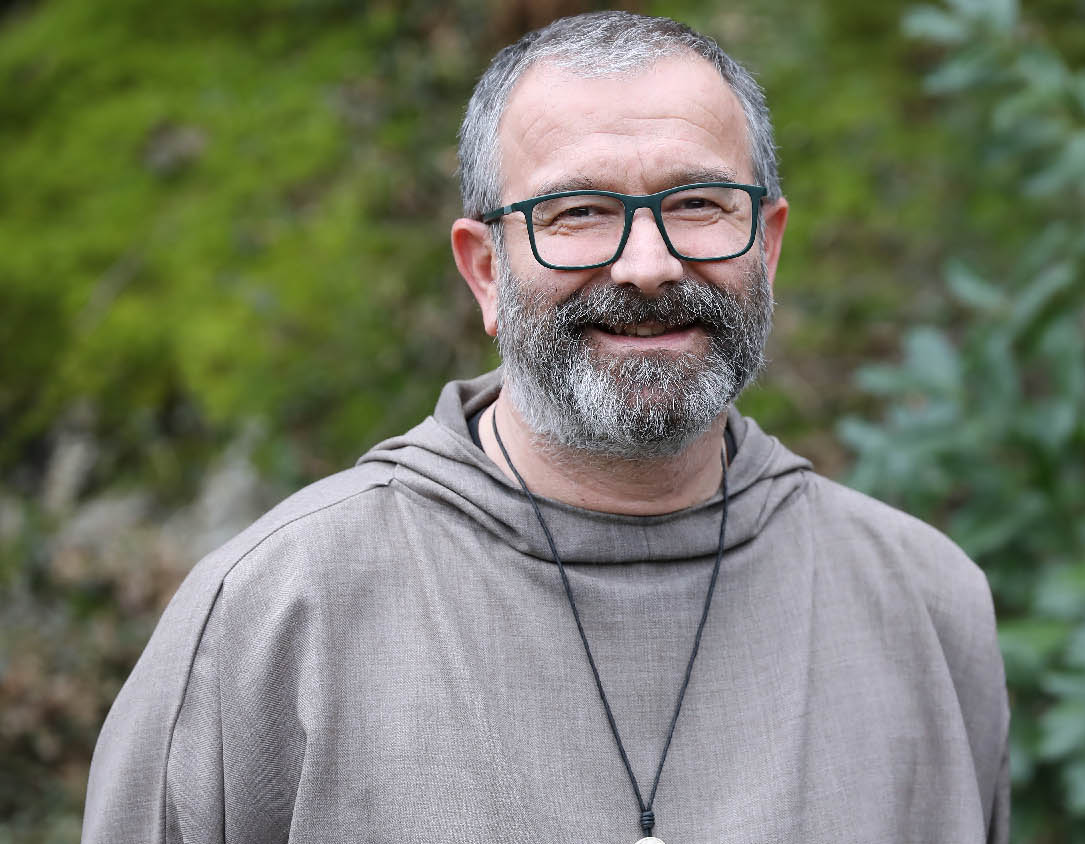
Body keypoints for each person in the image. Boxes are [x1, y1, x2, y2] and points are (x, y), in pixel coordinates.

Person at [83, 13, 1008, 844]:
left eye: (697, 204)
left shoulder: (924, 607)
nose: (647, 264)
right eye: (577, 213)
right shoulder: (273, 617)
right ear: (485, 271)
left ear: (767, 243)